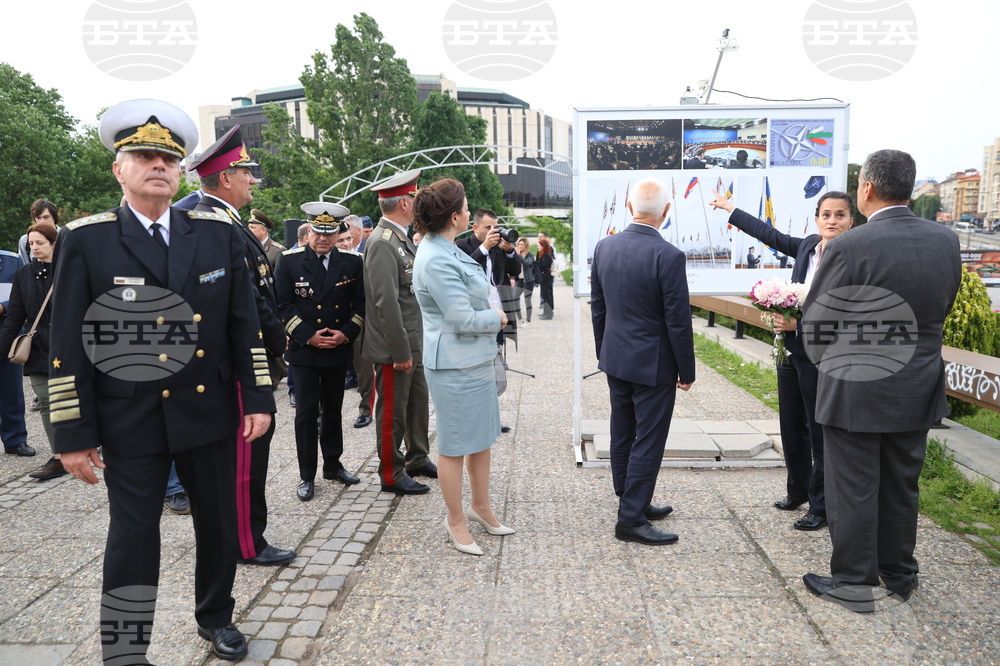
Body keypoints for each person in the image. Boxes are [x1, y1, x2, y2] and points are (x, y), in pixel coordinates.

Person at [50, 99, 275, 662]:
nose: (159, 166)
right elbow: (68, 342)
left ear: (181, 172)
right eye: (144, 157)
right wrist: (72, 433)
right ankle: (126, 648)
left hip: (208, 407)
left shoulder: (216, 234)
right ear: (118, 169)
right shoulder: (88, 239)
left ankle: (216, 617)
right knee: (132, 538)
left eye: (170, 159)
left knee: (218, 525)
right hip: (130, 414)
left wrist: (258, 396)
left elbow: (243, 323)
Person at [800, 149, 961, 612]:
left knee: (852, 487)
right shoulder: (945, 240)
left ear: (867, 188)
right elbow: (944, 305)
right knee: (901, 485)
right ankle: (900, 573)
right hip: (918, 382)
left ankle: (854, 582)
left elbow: (817, 322)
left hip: (856, 386)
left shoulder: (850, 245)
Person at [710, 189, 857, 532]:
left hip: (822, 355)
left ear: (851, 221)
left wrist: (800, 325)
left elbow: (849, 314)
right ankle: (798, 490)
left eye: (840, 215)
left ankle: (821, 507)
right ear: (816, 219)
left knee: (818, 431)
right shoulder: (807, 246)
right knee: (791, 425)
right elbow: (769, 234)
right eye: (826, 214)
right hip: (790, 350)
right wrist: (731, 208)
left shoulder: (853, 259)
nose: (832, 221)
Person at [188, 125, 293, 567]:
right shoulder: (216, 225)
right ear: (225, 177)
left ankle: (244, 536)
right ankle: (248, 544)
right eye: (246, 171)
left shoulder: (226, 222)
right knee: (246, 458)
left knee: (249, 455)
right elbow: (245, 300)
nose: (252, 179)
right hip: (238, 361)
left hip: (249, 353)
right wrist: (279, 337)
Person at [411, 178, 513, 556]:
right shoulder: (436, 257)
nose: (470, 212)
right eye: (467, 208)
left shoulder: (446, 247)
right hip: (455, 365)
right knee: (455, 446)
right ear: (454, 216)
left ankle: (480, 507)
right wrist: (497, 318)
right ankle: (455, 519)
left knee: (481, 438)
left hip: (474, 359)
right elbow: (462, 319)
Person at [591, 177, 695, 546]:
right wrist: (687, 370)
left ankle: (631, 499)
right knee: (648, 440)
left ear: (629, 206)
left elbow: (599, 307)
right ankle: (631, 518)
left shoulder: (604, 247)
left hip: (615, 358)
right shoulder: (669, 256)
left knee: (622, 432)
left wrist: (604, 350)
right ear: (666, 210)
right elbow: (678, 320)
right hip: (653, 364)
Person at [277, 207, 365, 501]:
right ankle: (306, 475)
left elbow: (360, 305)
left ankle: (333, 465)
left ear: (338, 233)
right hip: (304, 349)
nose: (323, 239)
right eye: (317, 232)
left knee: (334, 409)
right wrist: (308, 335)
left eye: (329, 233)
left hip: (336, 347)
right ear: (308, 231)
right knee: (305, 413)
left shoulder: (352, 262)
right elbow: (283, 305)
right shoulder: (289, 261)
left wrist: (345, 333)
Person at [362, 170, 436, 494]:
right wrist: (400, 350)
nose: (416, 204)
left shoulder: (401, 238)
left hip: (413, 340)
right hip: (397, 347)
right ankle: (391, 472)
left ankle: (417, 457)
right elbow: (385, 303)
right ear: (404, 203)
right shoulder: (383, 242)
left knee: (417, 403)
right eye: (414, 199)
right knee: (393, 411)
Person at [0, 223, 57, 473]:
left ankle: (82, 445)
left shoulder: (71, 270)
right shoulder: (23, 274)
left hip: (67, 345)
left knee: (70, 400)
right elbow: (15, 317)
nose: (34, 248)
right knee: (45, 400)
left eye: (39, 243)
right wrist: (2, 350)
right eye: (31, 243)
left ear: (54, 243)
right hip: (37, 348)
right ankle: (59, 457)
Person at [455, 209, 520, 337]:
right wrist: (485, 247)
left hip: (500, 314)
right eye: (488, 228)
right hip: (476, 315)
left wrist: (509, 251)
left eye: (496, 228)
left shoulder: (500, 246)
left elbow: (515, 271)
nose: (493, 231)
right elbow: (465, 271)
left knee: (499, 347)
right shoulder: (461, 245)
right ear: (475, 228)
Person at [0, 245, 30, 457]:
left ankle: (15, 440)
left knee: (11, 390)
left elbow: (26, 294)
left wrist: (3, 306)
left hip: (6, 332)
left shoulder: (13, 261)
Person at [284, 222, 311, 408]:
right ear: (307, 237)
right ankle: (293, 390)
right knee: (295, 355)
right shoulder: (289, 258)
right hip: (296, 323)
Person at [18, 199, 59, 266]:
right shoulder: (25, 240)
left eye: (46, 217)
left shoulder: (66, 237)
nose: (42, 221)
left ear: (54, 217)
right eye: (38, 218)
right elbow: (24, 267)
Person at [514, 237, 537, 324]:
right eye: (519, 244)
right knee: (514, 298)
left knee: (527, 300)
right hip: (520, 280)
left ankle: (528, 321)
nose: (520, 246)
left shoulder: (530, 255)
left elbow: (527, 264)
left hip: (528, 280)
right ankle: (520, 319)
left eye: (522, 245)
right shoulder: (517, 254)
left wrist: (519, 255)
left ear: (526, 246)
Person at [535, 236, 555, 319]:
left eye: (539, 246)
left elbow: (543, 267)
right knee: (544, 295)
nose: (538, 247)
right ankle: (546, 312)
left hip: (546, 278)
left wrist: (536, 262)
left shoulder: (546, 255)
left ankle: (548, 314)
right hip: (544, 278)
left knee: (547, 295)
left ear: (543, 246)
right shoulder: (542, 255)